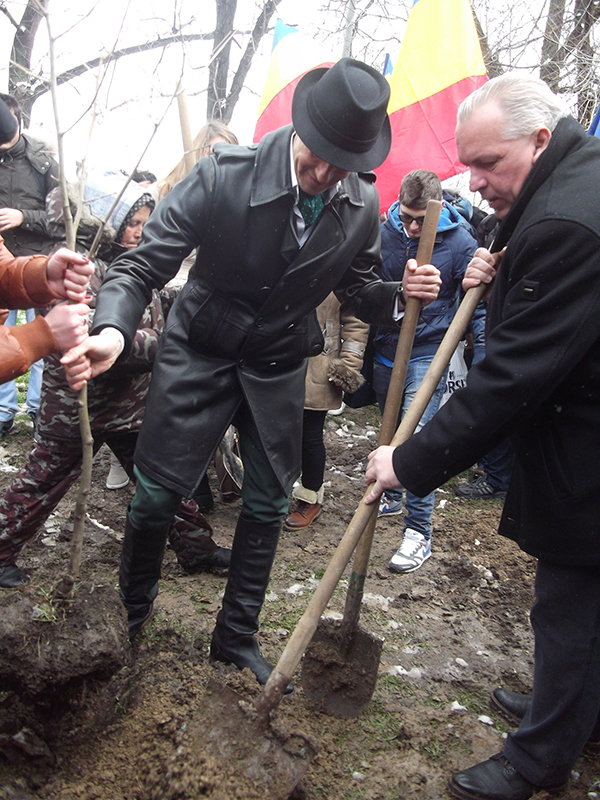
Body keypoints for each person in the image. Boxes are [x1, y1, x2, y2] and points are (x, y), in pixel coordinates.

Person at [61, 58, 441, 691]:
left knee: (267, 503)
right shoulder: (223, 175)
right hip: (201, 348)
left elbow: (358, 287)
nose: (323, 176)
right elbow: (139, 267)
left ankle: (234, 638)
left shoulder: (360, 201)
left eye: (340, 165)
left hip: (275, 362)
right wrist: (112, 330)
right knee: (156, 494)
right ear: (300, 129)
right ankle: (130, 618)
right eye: (316, 157)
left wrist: (400, 294)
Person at [365, 71, 600, 800]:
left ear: (538, 138)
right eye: (468, 162)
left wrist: (410, 460)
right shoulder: (566, 184)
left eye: (488, 164)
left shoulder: (566, 217)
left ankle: (540, 758)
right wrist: (497, 265)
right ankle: (574, 712)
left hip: (589, 448)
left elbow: (509, 381)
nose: (474, 180)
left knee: (571, 601)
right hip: (582, 433)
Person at [0, 171, 229, 589]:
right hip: (76, 406)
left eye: (146, 223)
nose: (142, 232)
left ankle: (197, 548)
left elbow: (151, 309)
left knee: (161, 480)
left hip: (133, 404)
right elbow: (89, 338)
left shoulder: (133, 264)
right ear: (103, 224)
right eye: (134, 223)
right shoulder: (79, 269)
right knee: (42, 482)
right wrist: (166, 346)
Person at [373, 169, 481, 573]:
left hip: (427, 354)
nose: (414, 227)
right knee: (387, 432)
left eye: (422, 218)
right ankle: (391, 493)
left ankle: (419, 531)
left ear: (438, 208)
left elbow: (476, 299)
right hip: (387, 350)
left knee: (415, 441)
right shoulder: (385, 233)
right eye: (406, 217)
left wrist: (481, 344)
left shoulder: (459, 241)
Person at [0, 93, 59, 435]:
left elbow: (63, 217)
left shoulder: (44, 164)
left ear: (18, 120)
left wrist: (23, 216)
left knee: (44, 339)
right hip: (2, 270)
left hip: (39, 265)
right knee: (6, 337)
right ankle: (4, 411)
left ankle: (39, 408)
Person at [284, 292, 369, 530]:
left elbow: (356, 320)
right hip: (275, 362)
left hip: (317, 364)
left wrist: (349, 366)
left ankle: (310, 498)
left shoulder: (338, 263)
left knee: (309, 437)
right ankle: (271, 494)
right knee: (271, 433)